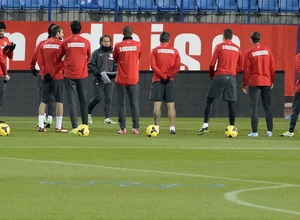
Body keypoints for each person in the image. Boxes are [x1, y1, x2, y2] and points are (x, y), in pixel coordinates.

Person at [197, 29, 242, 135]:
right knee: (231, 104)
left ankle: (205, 126)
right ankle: (232, 127)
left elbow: (212, 64)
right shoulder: (237, 48)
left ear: (223, 36)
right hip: (231, 77)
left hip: (219, 75)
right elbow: (240, 66)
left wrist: (212, 75)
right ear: (232, 37)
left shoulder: (219, 46)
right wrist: (232, 72)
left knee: (209, 101)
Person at [57, 20, 91, 134]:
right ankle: (85, 125)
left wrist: (66, 65)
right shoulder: (86, 42)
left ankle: (75, 126)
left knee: (72, 101)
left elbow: (59, 57)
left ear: (71, 29)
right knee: (83, 100)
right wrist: (82, 65)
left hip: (69, 74)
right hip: (82, 74)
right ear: (80, 29)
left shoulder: (65, 42)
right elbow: (89, 57)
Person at [243, 32, 275, 137]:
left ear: (251, 40)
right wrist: (272, 81)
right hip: (266, 81)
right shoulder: (268, 51)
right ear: (260, 40)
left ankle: (255, 132)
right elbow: (272, 67)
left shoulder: (249, 52)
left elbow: (247, 70)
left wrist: (244, 84)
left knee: (254, 107)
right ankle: (269, 131)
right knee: (268, 107)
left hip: (255, 82)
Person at [37, 25, 68, 133]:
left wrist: (46, 73)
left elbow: (40, 61)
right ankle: (58, 127)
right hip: (57, 76)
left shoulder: (43, 44)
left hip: (46, 77)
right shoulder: (62, 45)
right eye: (62, 32)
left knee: (43, 101)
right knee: (59, 101)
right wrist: (52, 73)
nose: (63, 35)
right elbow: (61, 62)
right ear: (57, 33)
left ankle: (41, 126)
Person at [149, 31, 181, 134]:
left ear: (160, 39)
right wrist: (168, 76)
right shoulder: (174, 51)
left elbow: (153, 66)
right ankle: (172, 128)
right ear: (169, 39)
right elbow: (177, 67)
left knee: (157, 105)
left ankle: (156, 127)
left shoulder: (155, 51)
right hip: (169, 80)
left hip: (158, 80)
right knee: (171, 105)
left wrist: (162, 76)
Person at [113, 25, 142, 134]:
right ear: (132, 33)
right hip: (134, 78)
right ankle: (135, 128)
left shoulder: (118, 45)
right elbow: (138, 56)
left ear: (122, 33)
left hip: (121, 78)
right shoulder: (138, 45)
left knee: (122, 104)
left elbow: (115, 59)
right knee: (134, 104)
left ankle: (123, 128)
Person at [30, 23, 56, 128]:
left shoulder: (42, 43)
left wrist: (32, 67)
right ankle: (50, 119)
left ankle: (42, 119)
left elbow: (34, 57)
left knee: (42, 96)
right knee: (53, 97)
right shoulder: (60, 43)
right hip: (56, 75)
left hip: (43, 74)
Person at [87, 34, 118, 125]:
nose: (107, 43)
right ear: (101, 42)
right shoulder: (96, 53)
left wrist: (114, 74)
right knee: (98, 98)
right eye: (105, 41)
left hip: (109, 80)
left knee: (108, 99)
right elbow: (90, 64)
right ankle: (88, 113)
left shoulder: (113, 53)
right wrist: (96, 72)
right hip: (98, 79)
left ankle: (107, 118)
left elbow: (116, 65)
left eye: (108, 41)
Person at [279, 53, 300, 137]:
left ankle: (291, 131)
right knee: (295, 110)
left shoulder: (298, 57)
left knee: (295, 110)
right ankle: (290, 131)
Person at [0, 21, 15, 123]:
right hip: (1, 73)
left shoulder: (6, 40)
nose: (1, 32)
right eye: (0, 30)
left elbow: (9, 57)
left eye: (2, 30)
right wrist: (5, 73)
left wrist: (10, 50)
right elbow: (1, 58)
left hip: (2, 72)